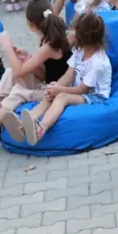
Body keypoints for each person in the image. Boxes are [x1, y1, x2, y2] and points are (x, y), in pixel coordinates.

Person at [0, 0, 71, 158]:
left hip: (55, 91)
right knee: (9, 73)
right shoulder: (49, 38)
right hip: (49, 83)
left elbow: (20, 71)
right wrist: (27, 57)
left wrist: (7, 47)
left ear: (31, 25)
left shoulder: (48, 45)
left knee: (17, 91)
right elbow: (44, 73)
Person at [13, 12, 111, 145]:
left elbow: (84, 89)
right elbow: (69, 75)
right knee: (51, 96)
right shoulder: (80, 52)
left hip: (95, 97)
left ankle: (41, 129)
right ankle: (26, 122)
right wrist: (55, 88)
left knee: (62, 97)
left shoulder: (97, 62)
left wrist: (61, 90)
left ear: (81, 37)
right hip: (80, 91)